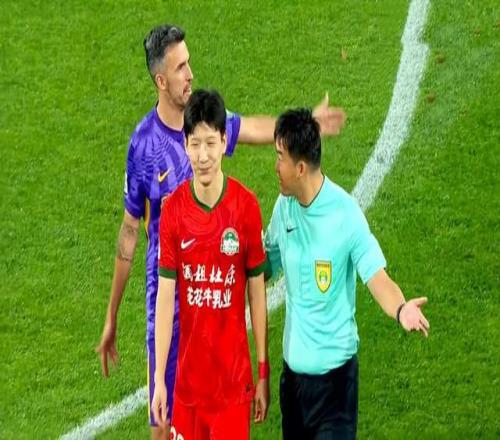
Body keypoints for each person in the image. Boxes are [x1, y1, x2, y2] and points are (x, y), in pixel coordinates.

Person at [95, 24, 345, 440]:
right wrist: (112, 316)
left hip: (212, 303)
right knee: (163, 427)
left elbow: (253, 129)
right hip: (171, 304)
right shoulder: (143, 146)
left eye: (189, 62)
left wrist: (304, 125)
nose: (190, 73)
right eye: (180, 67)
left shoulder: (206, 123)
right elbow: (129, 233)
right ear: (160, 80)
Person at [264, 108, 430, 439]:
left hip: (335, 388)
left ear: (300, 168)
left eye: (280, 157)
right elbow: (265, 267)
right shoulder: (284, 208)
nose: (275, 166)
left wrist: (401, 309)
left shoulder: (345, 214)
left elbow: (377, 278)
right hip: (293, 385)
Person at [152, 89, 269, 439]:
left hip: (232, 390)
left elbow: (257, 294)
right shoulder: (173, 212)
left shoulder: (245, 207)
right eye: (195, 144)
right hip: (188, 391)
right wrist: (159, 379)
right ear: (185, 145)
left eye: (211, 143)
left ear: (224, 142)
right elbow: (164, 299)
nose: (203, 156)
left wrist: (263, 371)